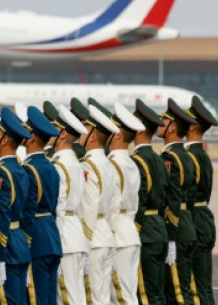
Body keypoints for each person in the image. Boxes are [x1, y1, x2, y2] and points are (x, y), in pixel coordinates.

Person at [42, 101, 88, 305]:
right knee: (77, 294)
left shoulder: (59, 164)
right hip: (76, 234)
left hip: (64, 238)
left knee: (67, 297)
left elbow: (58, 206)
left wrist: (56, 243)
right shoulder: (75, 162)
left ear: (61, 134)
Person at [18, 105, 62, 305]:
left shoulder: (29, 169)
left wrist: (24, 240)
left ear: (32, 137)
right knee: (49, 298)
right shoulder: (51, 167)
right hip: (51, 236)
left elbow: (27, 209)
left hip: (35, 238)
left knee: (37, 298)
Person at [0, 106, 33, 305]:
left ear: (5, 139)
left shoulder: (1, 173)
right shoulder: (21, 169)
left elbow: (2, 215)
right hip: (20, 243)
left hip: (6, 246)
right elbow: (28, 212)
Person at [82, 99, 121, 305]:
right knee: (104, 297)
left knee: (94, 298)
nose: (81, 133)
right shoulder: (109, 164)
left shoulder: (88, 165)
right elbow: (115, 206)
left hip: (94, 240)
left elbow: (88, 208)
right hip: (106, 234)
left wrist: (85, 246)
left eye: (85, 129)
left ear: (93, 135)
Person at [130, 99, 168, 305]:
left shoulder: (137, 161)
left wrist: (133, 230)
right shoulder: (159, 160)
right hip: (159, 230)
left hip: (145, 233)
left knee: (144, 295)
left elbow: (139, 201)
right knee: (157, 294)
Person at [160, 99, 198, 305]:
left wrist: (171, 236)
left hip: (176, 229)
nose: (159, 124)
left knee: (177, 293)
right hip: (187, 225)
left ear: (172, 127)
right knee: (184, 289)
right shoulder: (186, 155)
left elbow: (171, 198)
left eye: (164, 120)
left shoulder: (170, 157)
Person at [108, 103, 146, 305]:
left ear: (117, 134)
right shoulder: (131, 162)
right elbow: (134, 204)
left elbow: (112, 204)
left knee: (121, 296)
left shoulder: (113, 163)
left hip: (118, 236)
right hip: (129, 231)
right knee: (128, 294)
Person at [185, 96, 218, 305]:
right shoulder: (202, 154)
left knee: (193, 286)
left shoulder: (189, 156)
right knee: (203, 285)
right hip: (204, 218)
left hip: (194, 220)